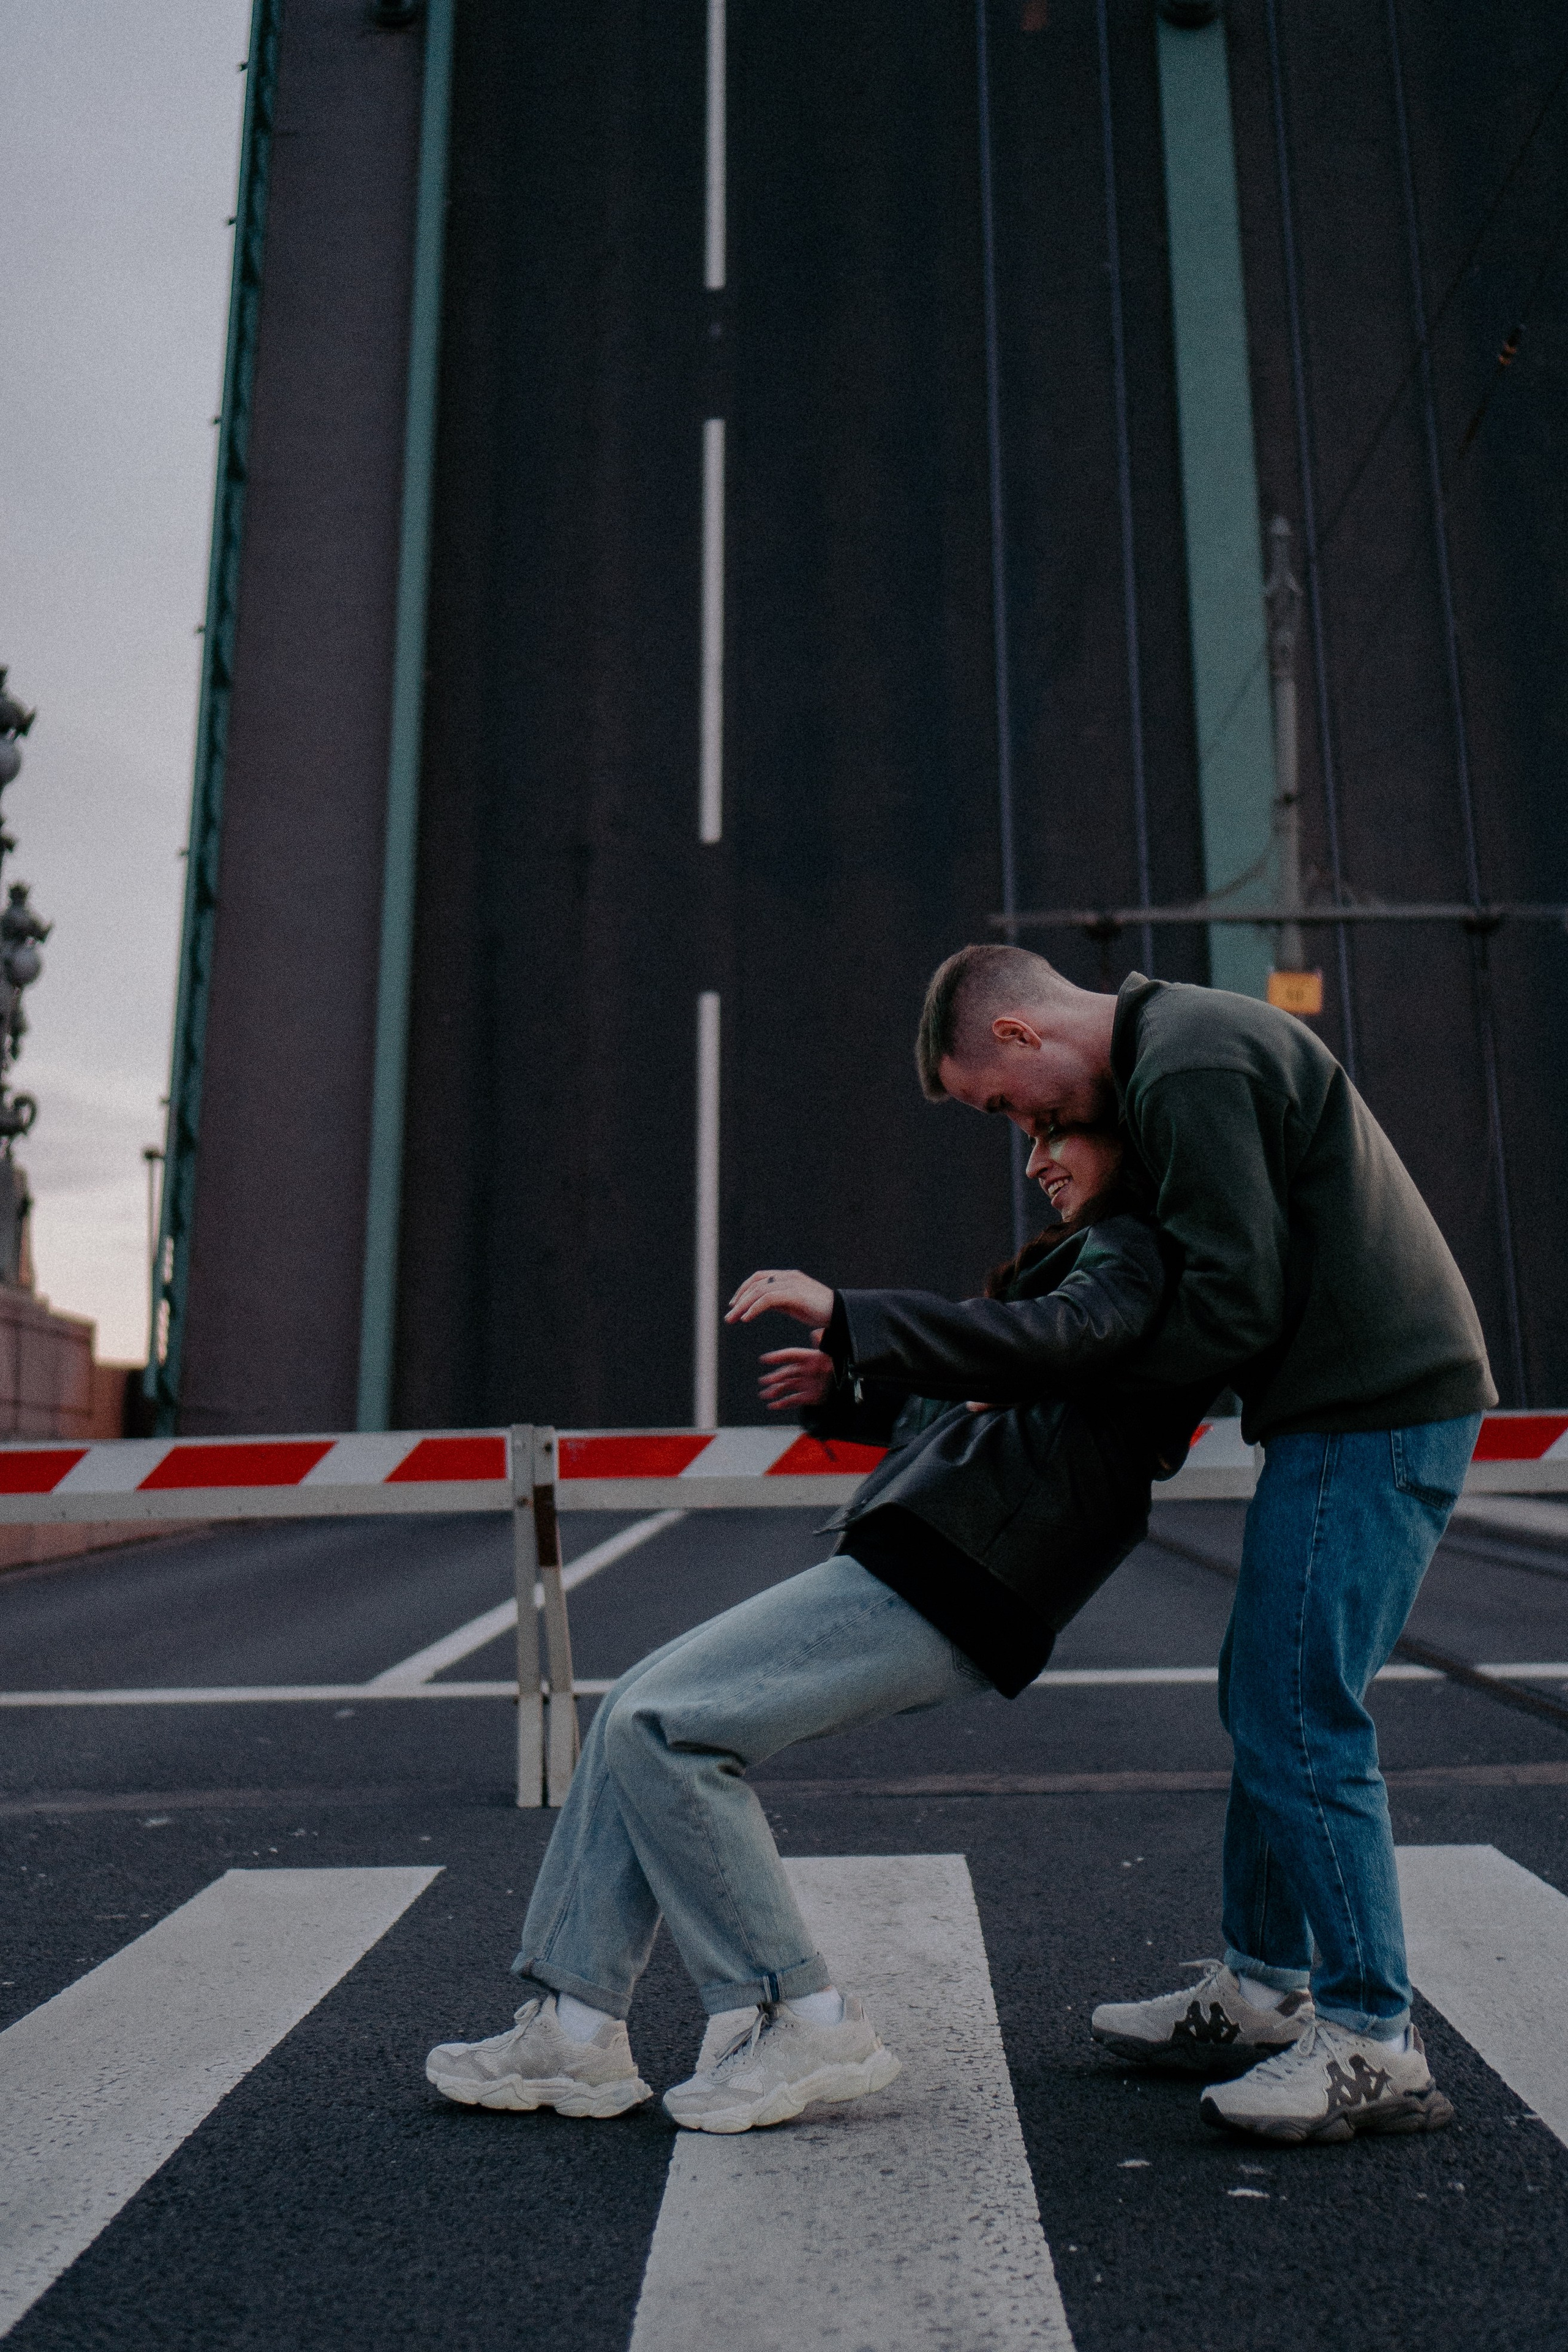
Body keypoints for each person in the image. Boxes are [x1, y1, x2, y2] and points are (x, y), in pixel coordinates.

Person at [425, 1123, 1200, 2135]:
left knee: (671, 1728)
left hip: (968, 1569)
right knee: (637, 1712)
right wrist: (855, 1395)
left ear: (1126, 1141)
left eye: (1054, 1131)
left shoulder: (1129, 1254)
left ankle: (801, 2013)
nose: (1035, 1161)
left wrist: (846, 1315)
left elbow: (1047, 1360)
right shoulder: (1080, 1267)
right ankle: (576, 2032)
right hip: (943, 1555)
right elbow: (1007, 1397)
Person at [917, 943, 1494, 2146]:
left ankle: (1370, 2040)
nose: (1016, 1134)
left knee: (1296, 1711)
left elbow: (1228, 1298)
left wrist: (1063, 1400)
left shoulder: (1183, 1066)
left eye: (997, 1105)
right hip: (1355, 1404)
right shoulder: (1181, 1044)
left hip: (1369, 1409)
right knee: (1265, 1696)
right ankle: (1266, 1988)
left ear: (1018, 1037)